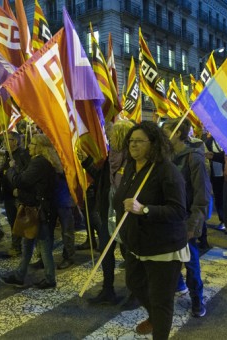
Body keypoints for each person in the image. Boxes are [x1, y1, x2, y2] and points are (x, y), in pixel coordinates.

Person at [113, 121, 188, 339]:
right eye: (131, 141)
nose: (133, 145)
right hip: (137, 244)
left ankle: (159, 325)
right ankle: (154, 317)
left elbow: (178, 211)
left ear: (153, 143)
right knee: (134, 283)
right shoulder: (130, 167)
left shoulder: (167, 171)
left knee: (161, 300)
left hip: (164, 247)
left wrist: (144, 209)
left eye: (139, 141)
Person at [81, 119, 135, 306]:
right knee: (106, 252)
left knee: (129, 255)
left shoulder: (133, 161)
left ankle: (134, 293)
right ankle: (107, 290)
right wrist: (86, 162)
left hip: (126, 217)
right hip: (107, 213)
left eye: (112, 136)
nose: (109, 139)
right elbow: (100, 180)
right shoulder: (110, 158)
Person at [162, 118, 211, 318]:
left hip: (186, 219)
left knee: (190, 262)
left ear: (178, 133)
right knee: (168, 260)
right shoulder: (164, 156)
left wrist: (194, 223)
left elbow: (202, 194)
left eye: (165, 132)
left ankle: (197, 299)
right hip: (167, 219)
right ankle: (178, 285)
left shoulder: (193, 158)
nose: (162, 136)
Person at [1, 134, 60, 289]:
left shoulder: (39, 163)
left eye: (33, 144)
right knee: (30, 243)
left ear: (39, 147)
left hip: (37, 211)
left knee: (43, 245)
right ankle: (20, 275)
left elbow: (22, 181)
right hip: (37, 209)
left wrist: (11, 170)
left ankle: (49, 278)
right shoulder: (42, 162)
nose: (29, 147)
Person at [0, 131, 30, 257]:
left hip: (18, 195)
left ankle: (26, 248)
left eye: (8, 140)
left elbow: (26, 174)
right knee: (13, 222)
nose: (5, 143)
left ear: (15, 141)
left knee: (23, 223)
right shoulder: (8, 155)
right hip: (7, 195)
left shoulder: (23, 154)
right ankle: (16, 247)